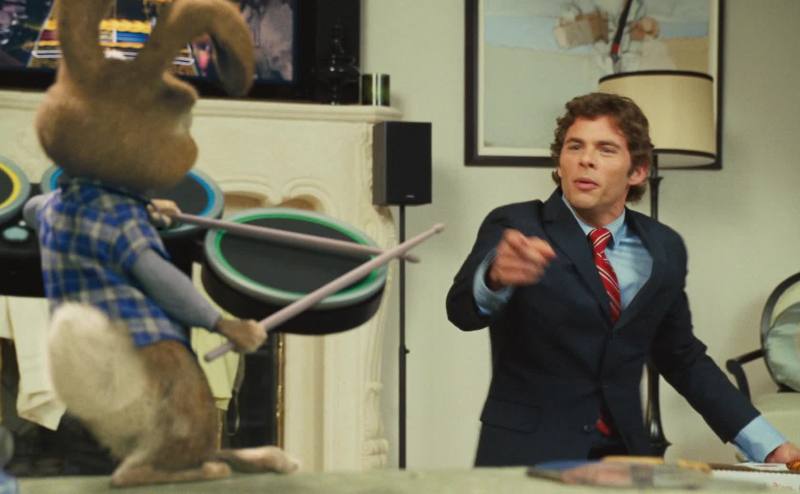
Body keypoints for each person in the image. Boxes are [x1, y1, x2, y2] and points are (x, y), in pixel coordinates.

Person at [446, 92, 800, 466]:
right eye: (575, 146)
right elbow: (461, 311)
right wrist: (495, 279)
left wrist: (767, 443)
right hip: (526, 455)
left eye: (606, 149)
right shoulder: (517, 225)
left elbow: (681, 358)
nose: (586, 159)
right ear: (560, 163)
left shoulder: (664, 248)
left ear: (638, 171)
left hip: (624, 456)